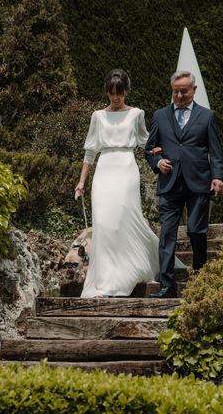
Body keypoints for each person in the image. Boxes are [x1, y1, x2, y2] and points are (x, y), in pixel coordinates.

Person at [75, 69, 159, 298]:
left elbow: (147, 142)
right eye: (112, 93)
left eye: (119, 93)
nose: (115, 97)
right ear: (106, 92)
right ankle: (104, 279)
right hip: (104, 170)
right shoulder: (97, 117)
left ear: (126, 91)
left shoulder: (136, 114)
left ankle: (125, 274)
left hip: (126, 169)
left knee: (122, 218)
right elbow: (90, 152)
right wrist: (82, 181)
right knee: (104, 222)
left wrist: (164, 152)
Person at [145, 70, 223, 298]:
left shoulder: (207, 116)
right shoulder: (160, 116)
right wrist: (157, 161)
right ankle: (167, 287)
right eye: (175, 91)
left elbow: (216, 152)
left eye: (184, 91)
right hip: (169, 185)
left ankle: (201, 278)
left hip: (199, 183)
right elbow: (149, 149)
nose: (179, 95)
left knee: (196, 231)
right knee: (167, 234)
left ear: (194, 91)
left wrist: (217, 177)